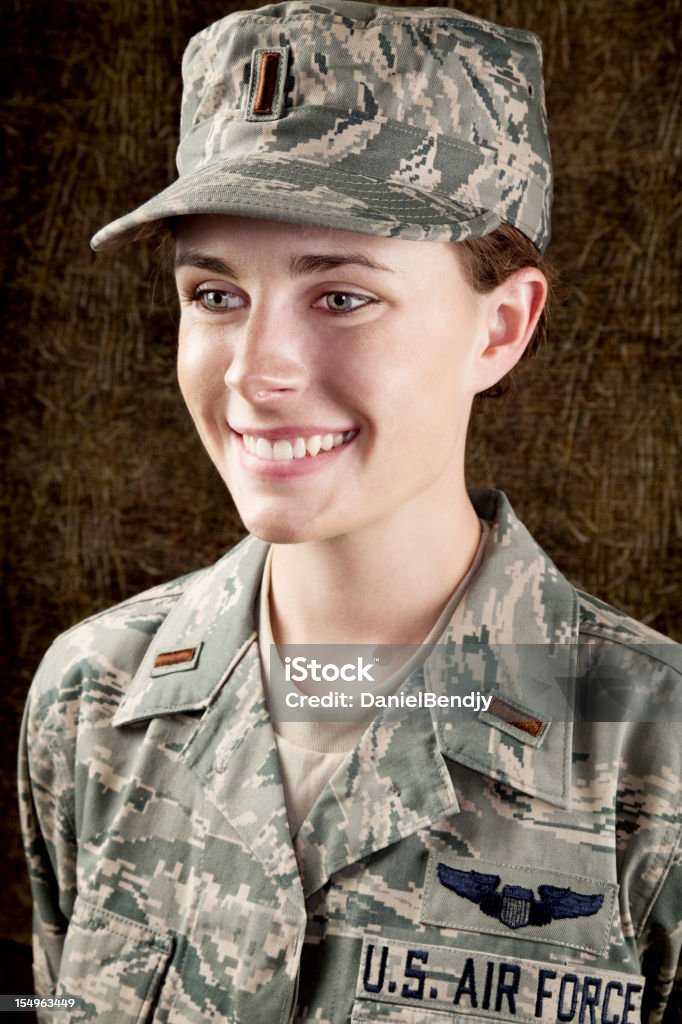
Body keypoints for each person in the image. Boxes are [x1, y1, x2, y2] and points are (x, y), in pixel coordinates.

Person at [18, 2, 680, 1023]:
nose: (255, 372)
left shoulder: (654, 750)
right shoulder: (94, 700)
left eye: (340, 297)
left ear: (499, 328)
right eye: (214, 294)